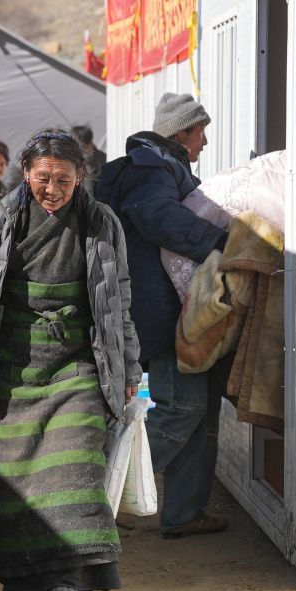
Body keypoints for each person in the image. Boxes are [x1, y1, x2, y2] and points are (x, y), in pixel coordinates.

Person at [0, 129, 141, 591]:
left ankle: (66, 580)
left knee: (75, 460)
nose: (52, 189)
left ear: (80, 179)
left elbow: (118, 302)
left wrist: (129, 370)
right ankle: (17, 575)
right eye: (42, 178)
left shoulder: (101, 224)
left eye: (63, 179)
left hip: (77, 361)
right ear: (26, 175)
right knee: (9, 475)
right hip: (11, 364)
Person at [95, 92, 231, 539]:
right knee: (182, 408)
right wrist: (221, 243)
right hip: (160, 310)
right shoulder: (151, 167)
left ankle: (183, 513)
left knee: (199, 408)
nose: (205, 141)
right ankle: (105, 500)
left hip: (171, 306)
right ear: (182, 131)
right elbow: (155, 216)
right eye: (201, 131)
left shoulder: (162, 165)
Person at [71, 125, 105, 194]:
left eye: (83, 147)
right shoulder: (69, 160)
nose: (80, 151)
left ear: (90, 143)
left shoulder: (103, 159)